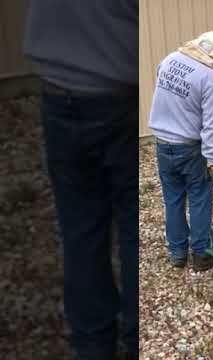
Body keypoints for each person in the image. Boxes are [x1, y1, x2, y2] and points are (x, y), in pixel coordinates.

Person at [23, 1, 139, 359]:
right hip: (123, 94)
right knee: (134, 233)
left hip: (60, 92)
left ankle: (92, 347)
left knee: (81, 232)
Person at [149, 32, 213, 272]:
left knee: (173, 199)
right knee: (199, 197)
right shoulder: (210, 78)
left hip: (162, 144)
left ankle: (177, 254)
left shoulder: (169, 60)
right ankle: (201, 255)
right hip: (190, 148)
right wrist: (211, 160)